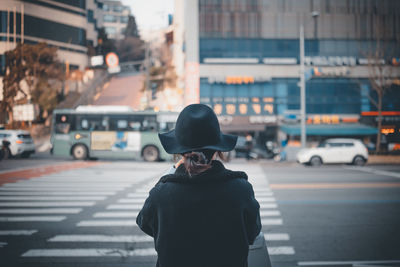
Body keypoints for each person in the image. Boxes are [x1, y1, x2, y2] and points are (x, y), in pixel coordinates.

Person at [136, 104, 262, 267]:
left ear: (179, 152)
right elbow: (253, 232)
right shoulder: (241, 189)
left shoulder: (162, 193)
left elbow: (144, 223)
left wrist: (168, 176)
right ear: (218, 151)